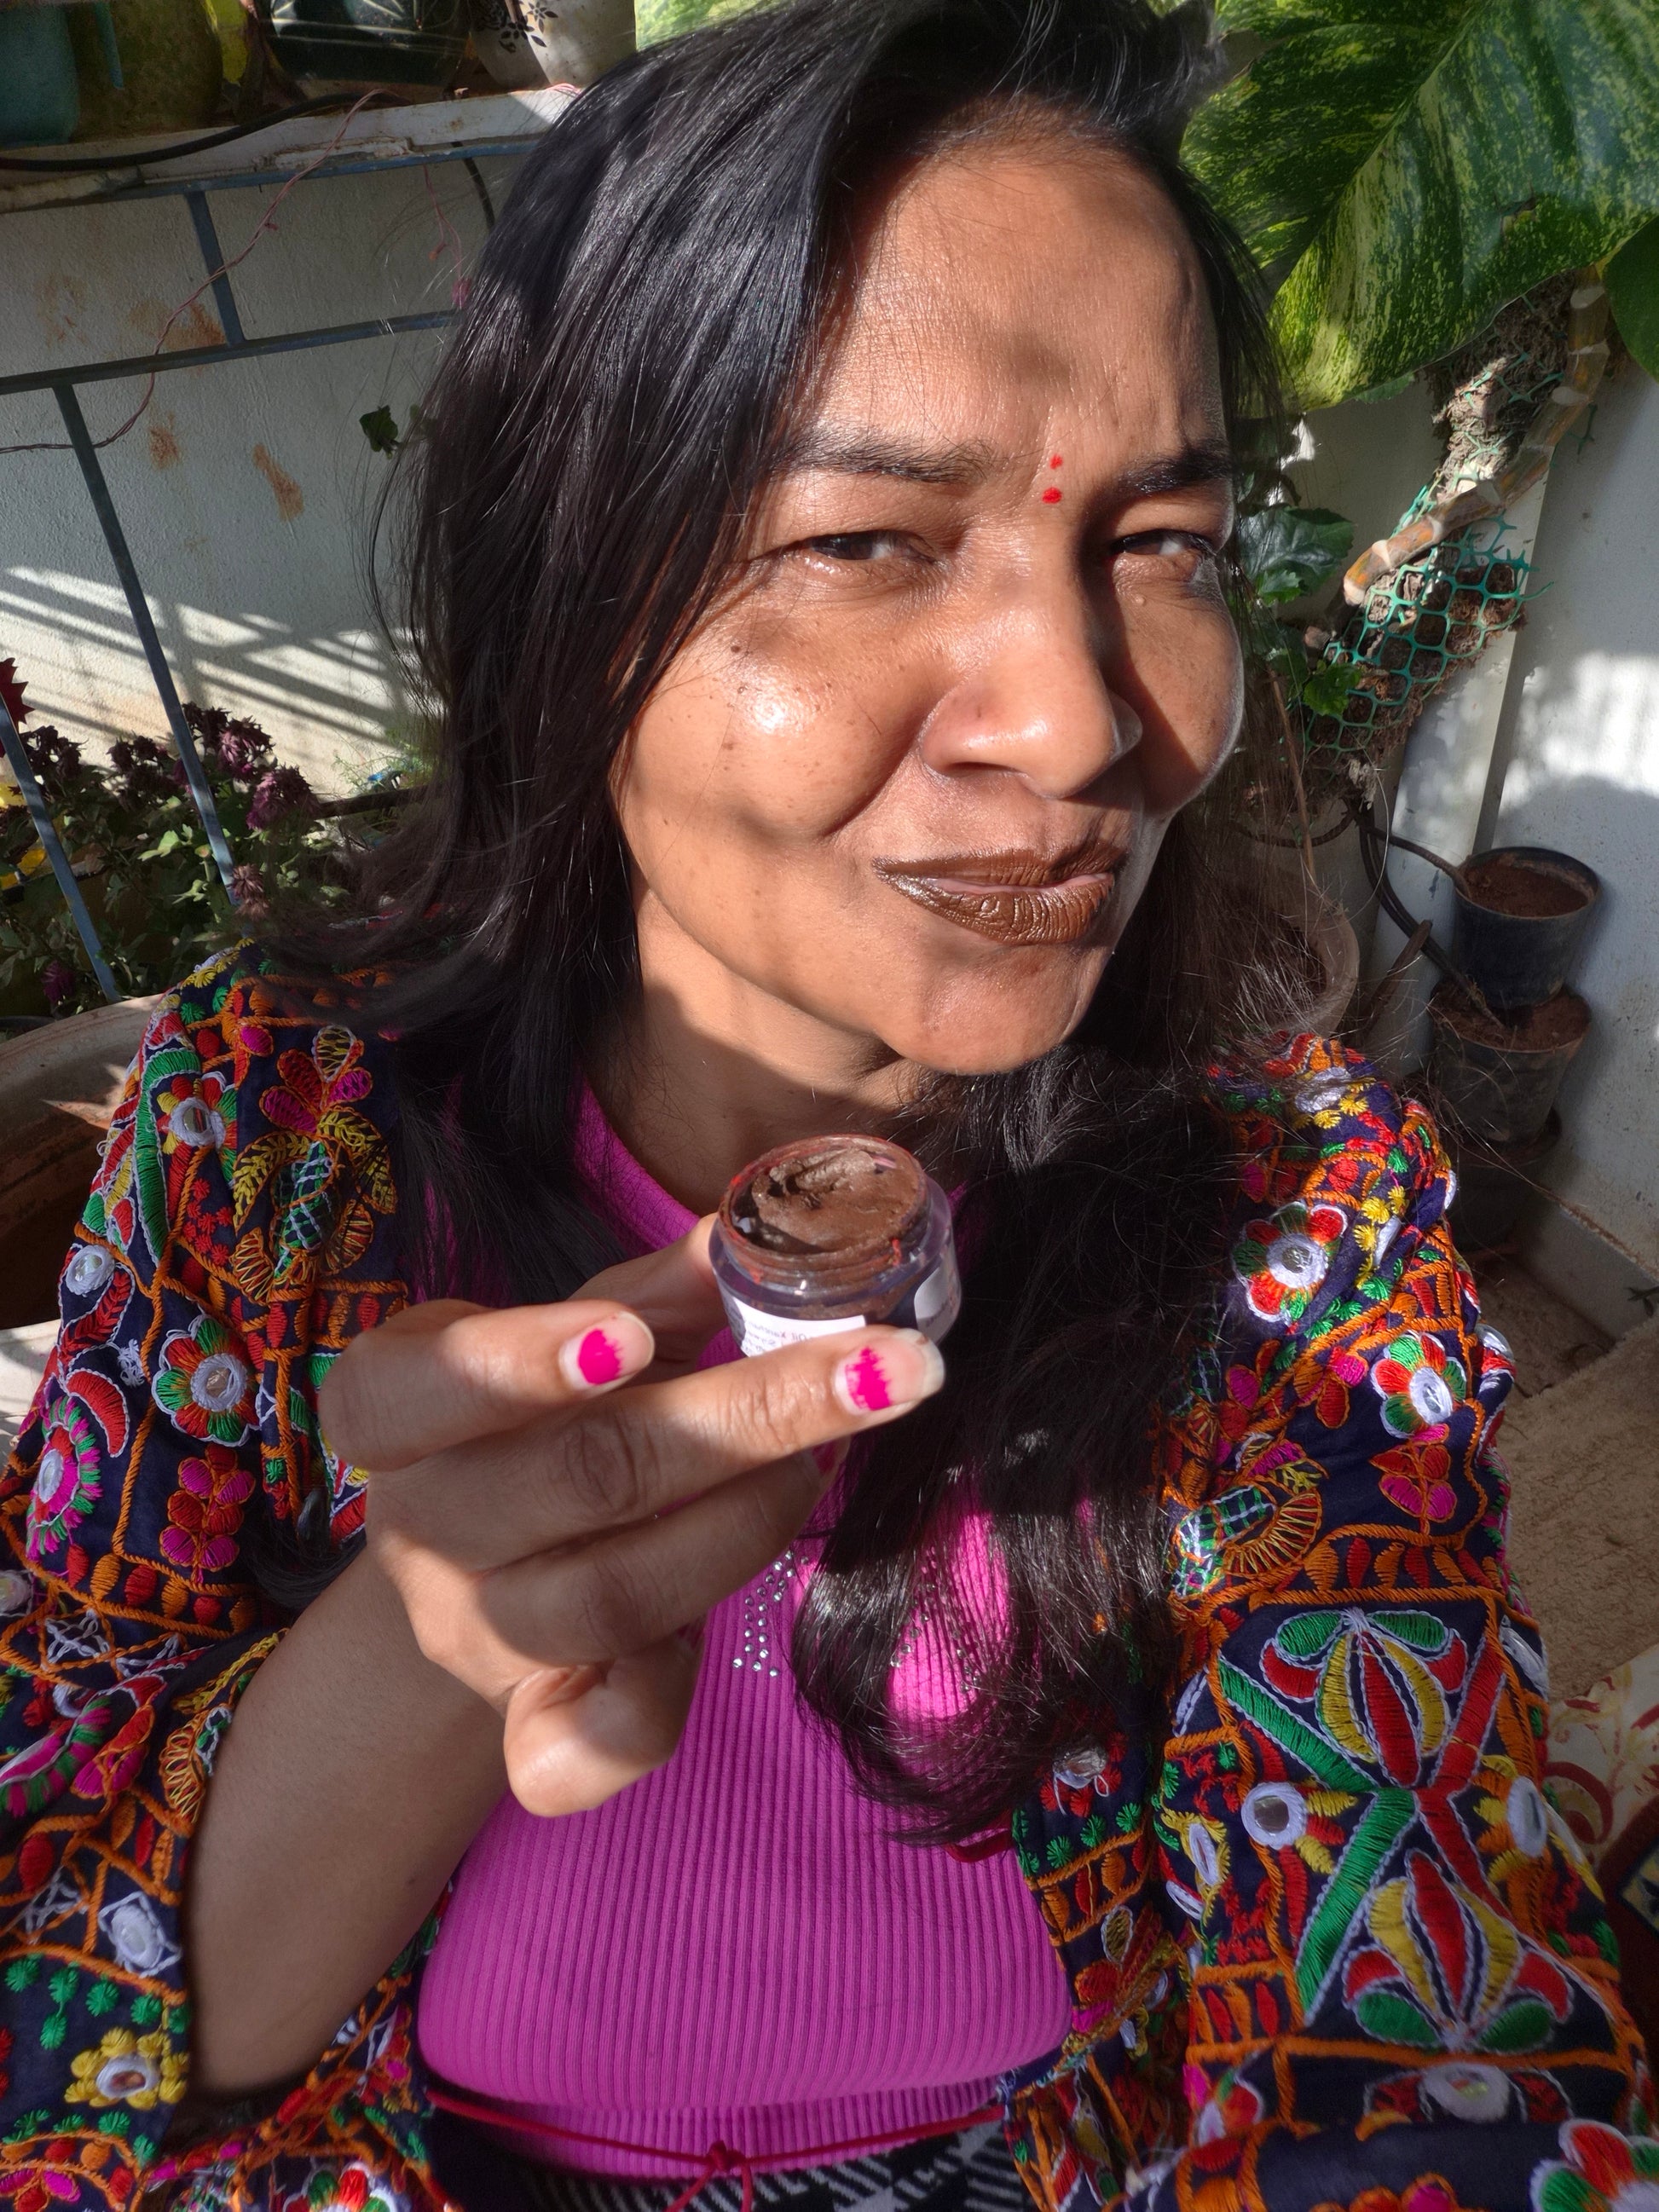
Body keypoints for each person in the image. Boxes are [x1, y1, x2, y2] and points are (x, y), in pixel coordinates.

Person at [0, 0, 1648, 2206]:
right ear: (563, 595)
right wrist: (434, 1634)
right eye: (869, 541)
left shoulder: (1291, 1219)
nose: (1080, 724)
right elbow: (60, 2028)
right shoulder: (265, 1148)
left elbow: (1423, 1993)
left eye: (1162, 539)